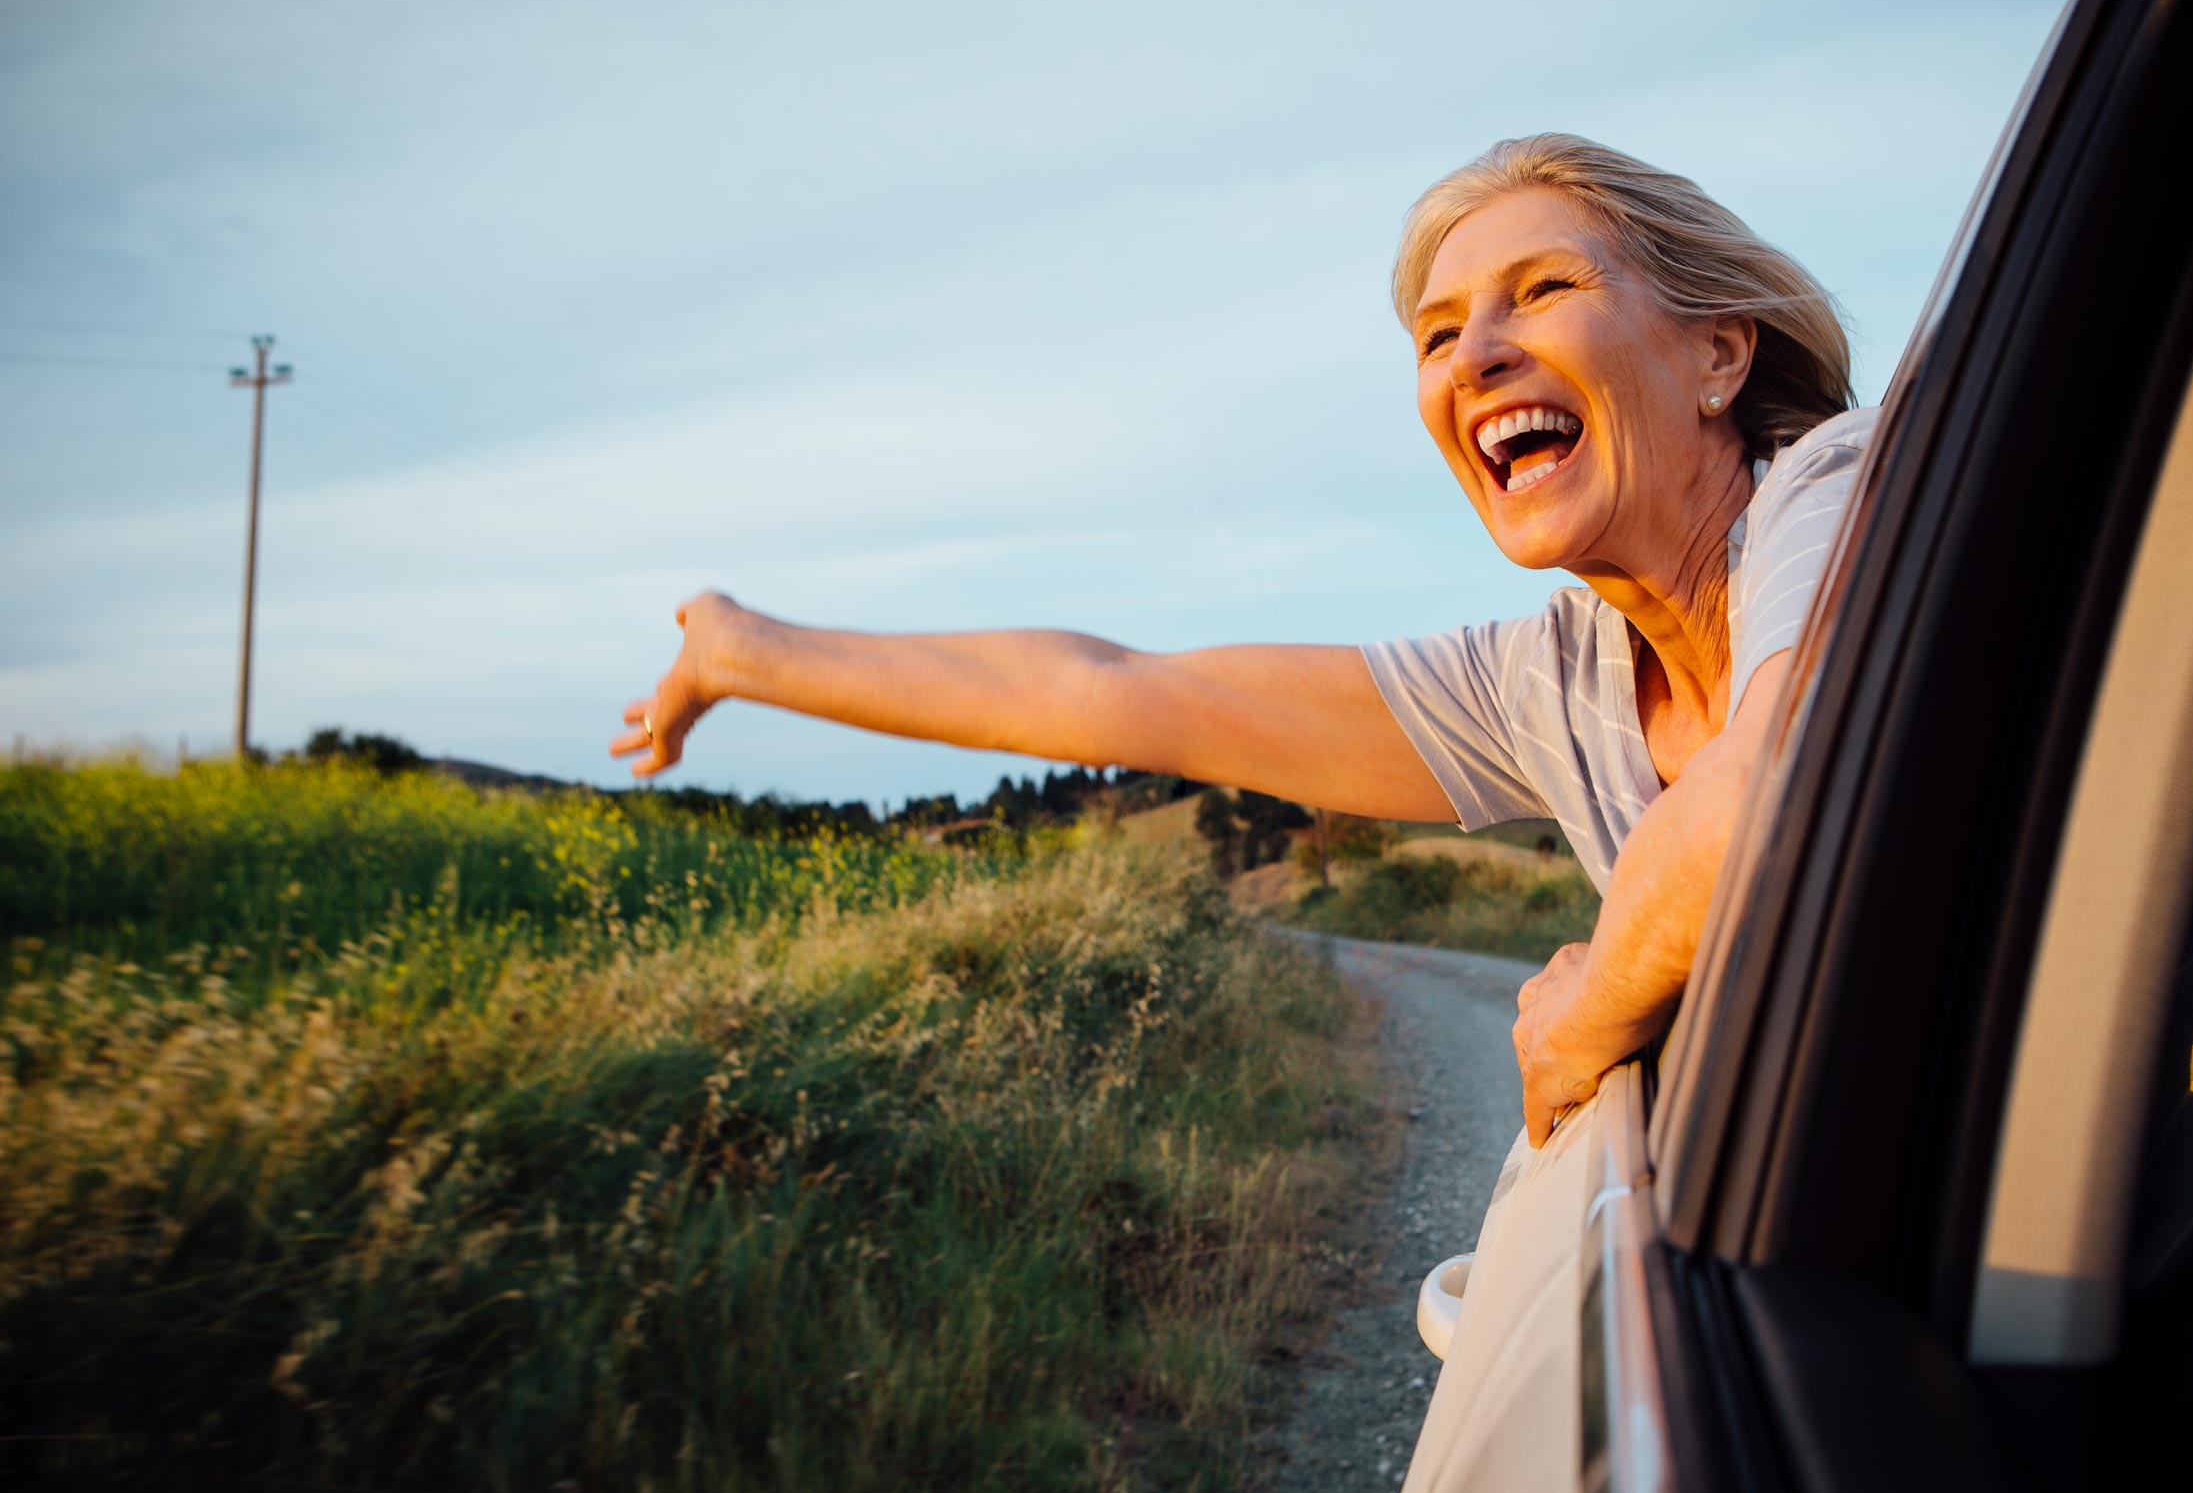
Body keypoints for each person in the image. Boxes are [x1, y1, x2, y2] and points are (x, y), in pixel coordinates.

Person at [611, 134, 1875, 1147]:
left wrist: (1584, 1008)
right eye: (1437, 335)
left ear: (1717, 350)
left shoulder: (1837, 486)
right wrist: (748, 652)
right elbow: (1113, 695)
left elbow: (1772, 786)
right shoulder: (1549, 680)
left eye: (1541, 290)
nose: (1476, 355)